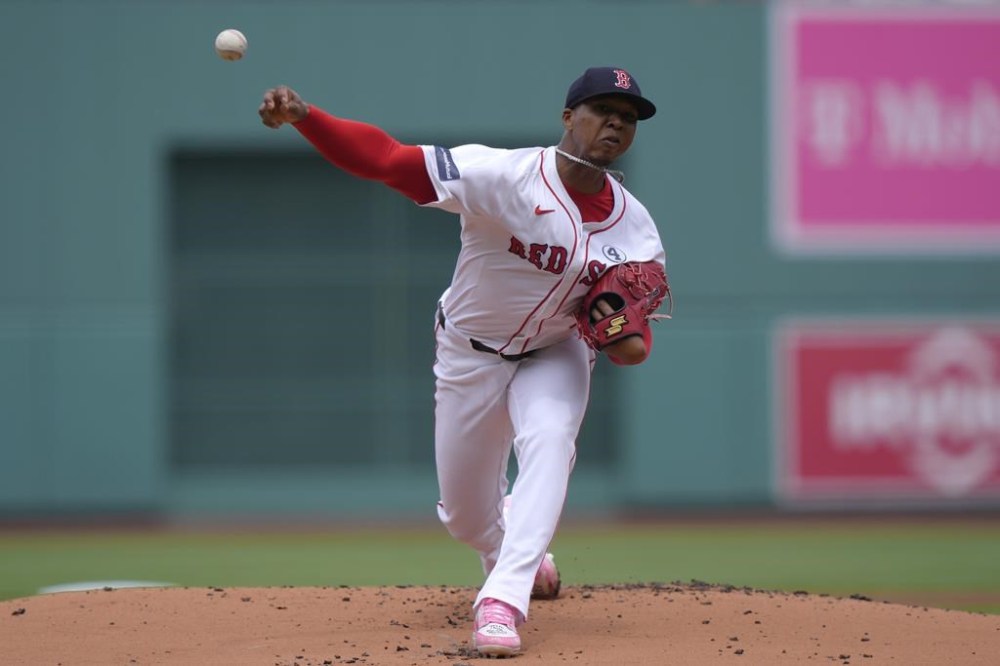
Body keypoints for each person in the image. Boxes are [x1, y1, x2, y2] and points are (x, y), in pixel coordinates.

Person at [258, 66, 667, 658]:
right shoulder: (501, 175)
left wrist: (624, 336)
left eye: (627, 118)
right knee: (467, 519)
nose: (616, 124)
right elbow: (388, 160)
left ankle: (502, 601)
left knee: (551, 441)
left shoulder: (635, 227)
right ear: (567, 117)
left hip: (555, 351)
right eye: (603, 110)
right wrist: (306, 118)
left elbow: (633, 341)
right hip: (469, 352)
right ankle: (505, 548)